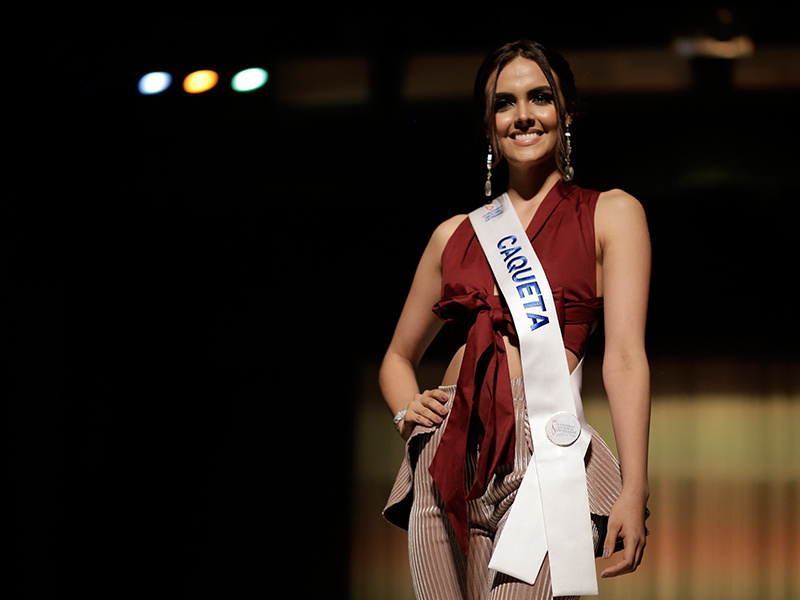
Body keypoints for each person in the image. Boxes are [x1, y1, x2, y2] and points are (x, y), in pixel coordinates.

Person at [379, 40, 651, 599]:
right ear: (488, 126)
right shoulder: (452, 234)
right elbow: (396, 358)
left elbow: (624, 358)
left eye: (540, 98)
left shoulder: (611, 212)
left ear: (566, 112)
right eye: (505, 103)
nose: (523, 115)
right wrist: (409, 412)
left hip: (543, 454)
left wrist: (633, 484)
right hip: (445, 451)